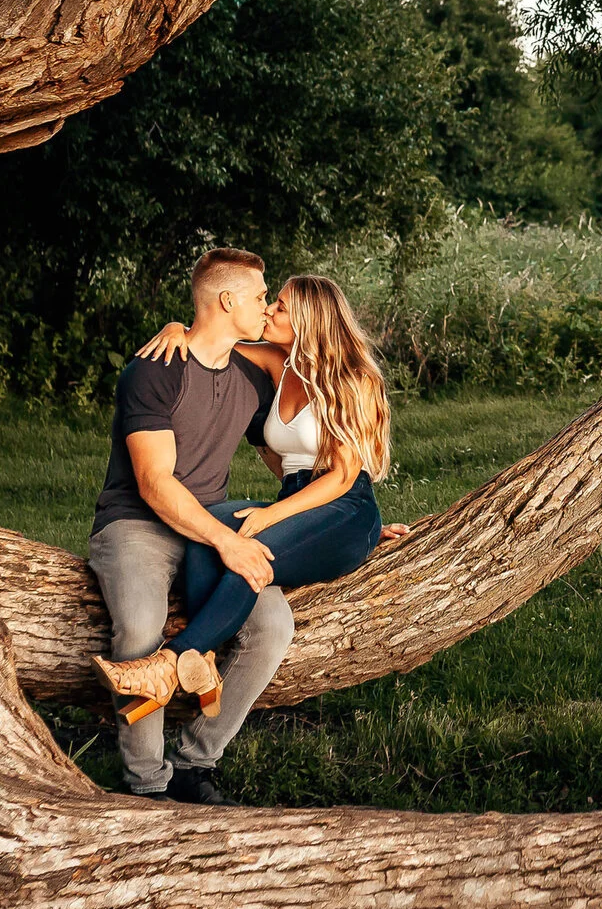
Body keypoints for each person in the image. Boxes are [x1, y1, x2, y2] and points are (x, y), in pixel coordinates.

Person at [85, 246, 291, 806]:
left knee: (273, 625)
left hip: (211, 526)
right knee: (140, 628)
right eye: (257, 296)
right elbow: (154, 483)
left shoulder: (253, 375)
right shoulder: (154, 370)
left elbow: (287, 459)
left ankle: (195, 765)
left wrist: (353, 515)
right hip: (135, 525)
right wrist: (226, 541)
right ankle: (148, 784)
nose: (266, 305)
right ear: (227, 301)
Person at [129, 273, 400, 688]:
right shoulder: (279, 363)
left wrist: (276, 515)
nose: (269, 309)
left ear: (310, 320)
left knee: (249, 555)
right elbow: (215, 337)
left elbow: (344, 475)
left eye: (282, 306)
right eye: (271, 300)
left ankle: (170, 663)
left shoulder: (352, 378)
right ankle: (205, 666)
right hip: (301, 502)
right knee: (210, 530)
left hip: (346, 506)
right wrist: (175, 329)